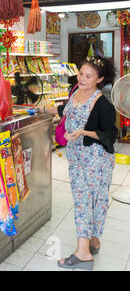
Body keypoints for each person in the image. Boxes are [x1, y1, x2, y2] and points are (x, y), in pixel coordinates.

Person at [37, 56, 118, 270]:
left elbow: (111, 134)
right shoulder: (76, 92)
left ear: (99, 79)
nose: (82, 78)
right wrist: (42, 110)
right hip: (76, 157)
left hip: (96, 159)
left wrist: (84, 132)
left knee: (89, 201)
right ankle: (93, 240)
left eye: (88, 76)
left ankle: (83, 254)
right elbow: (66, 110)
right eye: (81, 73)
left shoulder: (103, 103)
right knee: (88, 200)